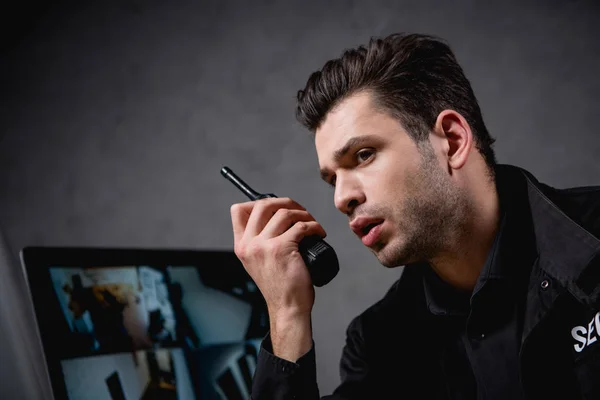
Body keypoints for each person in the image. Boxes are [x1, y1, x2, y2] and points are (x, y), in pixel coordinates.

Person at [229, 33, 600, 400]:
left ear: (452, 142)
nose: (342, 197)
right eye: (332, 180)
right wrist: (288, 314)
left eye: (363, 155)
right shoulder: (379, 346)